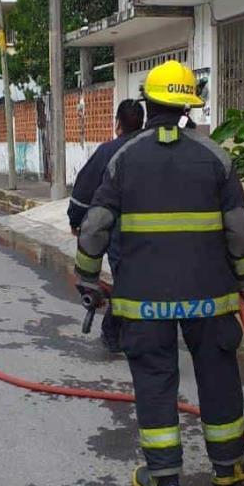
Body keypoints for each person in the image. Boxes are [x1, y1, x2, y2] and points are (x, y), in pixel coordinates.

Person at [74, 60, 244, 486]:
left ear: (148, 103)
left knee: (155, 380)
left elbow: (96, 224)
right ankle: (228, 465)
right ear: (188, 106)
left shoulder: (124, 156)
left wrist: (87, 277)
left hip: (143, 301)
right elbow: (240, 230)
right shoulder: (215, 156)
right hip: (210, 298)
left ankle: (164, 479)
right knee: (218, 374)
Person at [68, 99, 145, 353]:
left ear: (117, 124)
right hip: (157, 233)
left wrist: (75, 220)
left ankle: (113, 334)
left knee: (125, 281)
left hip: (120, 232)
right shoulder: (152, 148)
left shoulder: (108, 151)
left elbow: (84, 188)